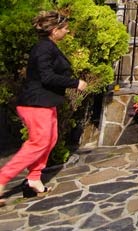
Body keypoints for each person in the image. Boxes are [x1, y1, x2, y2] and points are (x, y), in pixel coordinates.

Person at [0, 11, 87, 203]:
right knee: (38, 142)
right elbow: (47, 77)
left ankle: (33, 180)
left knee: (49, 140)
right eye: (64, 28)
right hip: (35, 103)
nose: (68, 31)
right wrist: (74, 83)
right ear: (55, 30)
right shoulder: (43, 49)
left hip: (45, 102)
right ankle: (2, 179)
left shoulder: (48, 46)